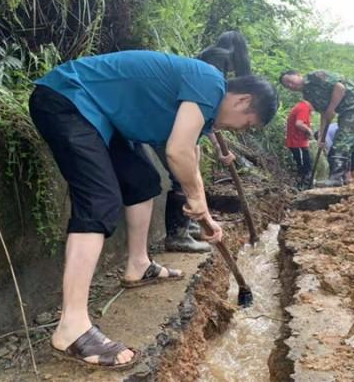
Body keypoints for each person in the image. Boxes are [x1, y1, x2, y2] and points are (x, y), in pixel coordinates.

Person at [30, 50, 277, 369]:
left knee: (144, 181)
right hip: (68, 100)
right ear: (244, 101)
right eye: (247, 124)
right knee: (99, 202)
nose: (240, 131)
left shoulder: (205, 109)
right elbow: (177, 151)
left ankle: (138, 264)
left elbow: (190, 156)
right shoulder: (210, 82)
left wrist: (205, 215)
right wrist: (197, 198)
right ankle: (71, 327)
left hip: (99, 117)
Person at [159, 31, 250, 253]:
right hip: (176, 123)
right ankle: (177, 236)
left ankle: (186, 226)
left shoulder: (209, 56)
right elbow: (205, 107)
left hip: (180, 120)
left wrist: (219, 149)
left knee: (184, 173)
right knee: (181, 174)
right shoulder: (217, 63)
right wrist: (218, 147)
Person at [279, 69, 354, 187]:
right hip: (345, 110)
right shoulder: (308, 95)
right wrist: (321, 136)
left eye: (290, 80)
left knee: (342, 140)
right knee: (345, 141)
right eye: (287, 85)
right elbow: (324, 113)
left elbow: (340, 88)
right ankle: (344, 179)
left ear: (298, 75)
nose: (290, 85)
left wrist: (331, 108)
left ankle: (336, 178)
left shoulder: (315, 77)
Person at [285, 99, 314, 190]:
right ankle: (304, 188)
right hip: (298, 143)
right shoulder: (303, 108)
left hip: (299, 142)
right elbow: (299, 124)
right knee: (304, 169)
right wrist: (309, 131)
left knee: (305, 167)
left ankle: (306, 185)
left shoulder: (301, 106)